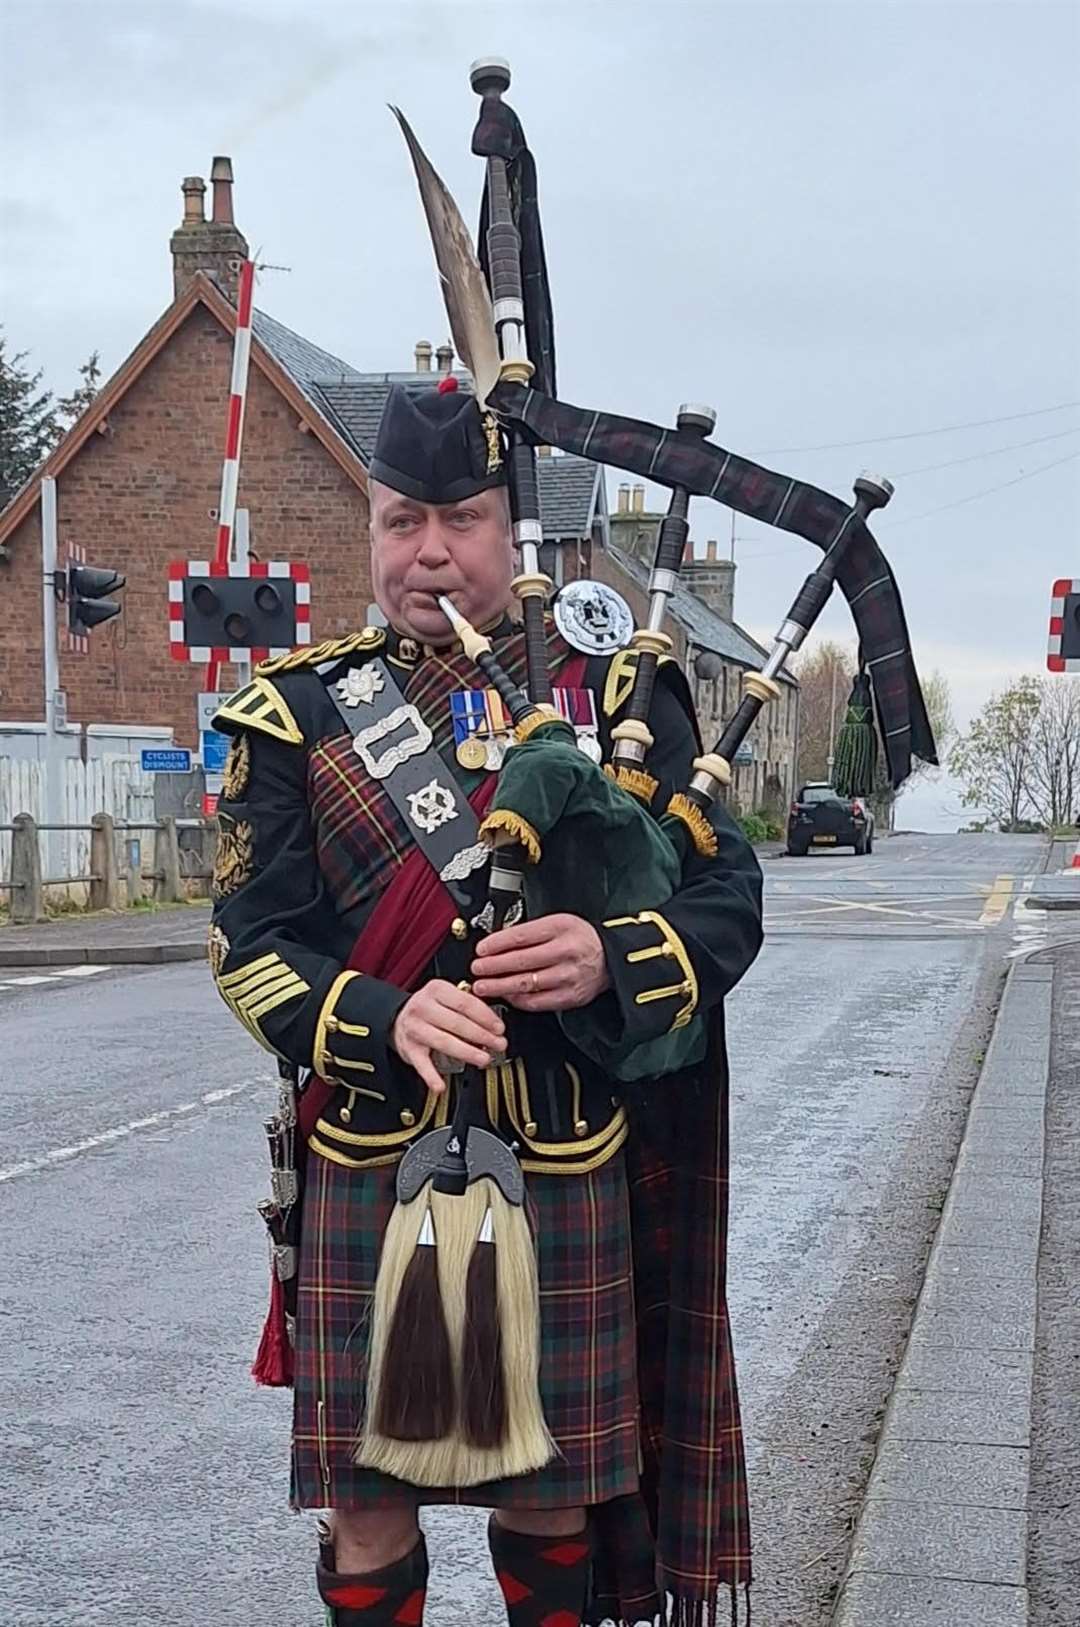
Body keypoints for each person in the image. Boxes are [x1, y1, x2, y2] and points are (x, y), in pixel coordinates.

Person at [209, 380, 763, 1626]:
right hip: (367, 1150)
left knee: (554, 1494)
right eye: (402, 521)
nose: (429, 553)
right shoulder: (294, 714)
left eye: (459, 519)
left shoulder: (620, 700)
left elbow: (729, 903)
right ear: (371, 532)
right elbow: (250, 945)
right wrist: (382, 1018)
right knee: (364, 1503)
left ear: (514, 534)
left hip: (565, 1149)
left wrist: (615, 952)